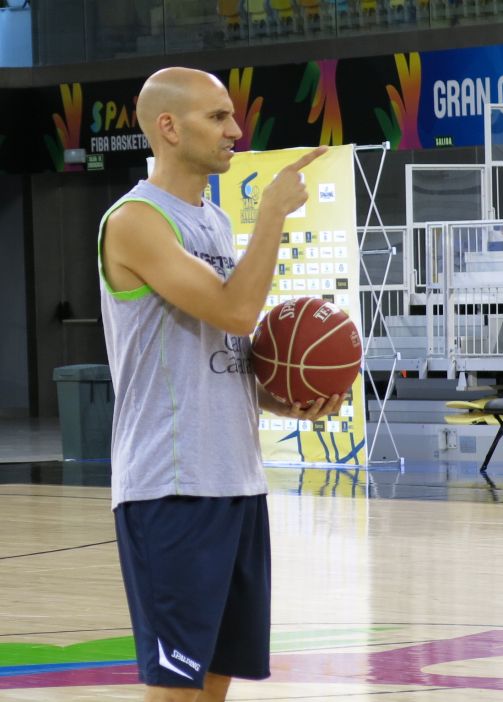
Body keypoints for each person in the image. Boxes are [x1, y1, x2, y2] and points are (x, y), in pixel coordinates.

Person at [98, 66, 342, 702]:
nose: (236, 129)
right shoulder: (135, 221)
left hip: (237, 481)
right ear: (168, 127)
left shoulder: (212, 219)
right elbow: (237, 312)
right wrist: (273, 215)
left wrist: (285, 398)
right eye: (217, 117)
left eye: (232, 115)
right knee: (176, 687)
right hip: (171, 487)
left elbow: (220, 354)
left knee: (214, 682)